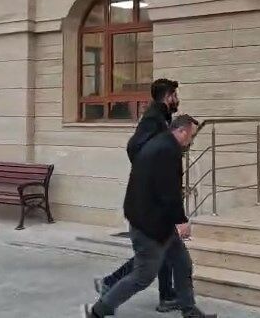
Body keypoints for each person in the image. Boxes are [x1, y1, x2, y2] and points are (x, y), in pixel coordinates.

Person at [83, 115, 216, 318]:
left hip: (157, 221)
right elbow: (168, 190)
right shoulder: (168, 151)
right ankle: (97, 311)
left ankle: (190, 312)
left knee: (182, 263)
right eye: (191, 136)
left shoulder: (160, 143)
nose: (191, 141)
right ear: (182, 131)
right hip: (149, 225)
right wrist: (181, 220)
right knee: (143, 275)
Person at [94, 78, 180, 312]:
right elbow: (133, 147)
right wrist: (149, 172)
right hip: (151, 197)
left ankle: (164, 294)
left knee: (160, 248)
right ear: (167, 97)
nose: (177, 99)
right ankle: (112, 287)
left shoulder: (161, 117)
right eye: (174, 95)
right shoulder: (154, 119)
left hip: (154, 195)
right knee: (154, 251)